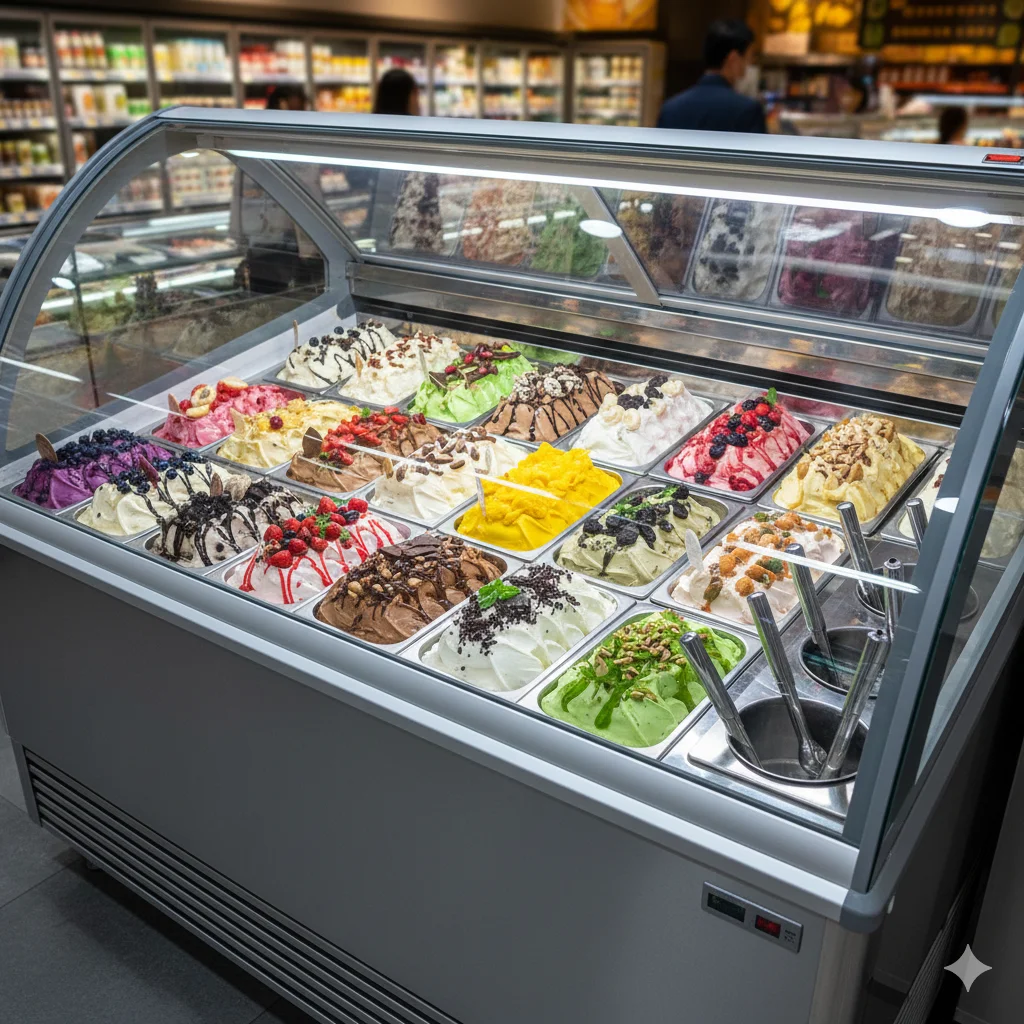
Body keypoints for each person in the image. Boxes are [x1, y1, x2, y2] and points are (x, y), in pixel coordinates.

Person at [657, 19, 765, 133]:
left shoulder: (670, 108)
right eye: (749, 56)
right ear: (733, 59)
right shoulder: (748, 110)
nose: (750, 64)